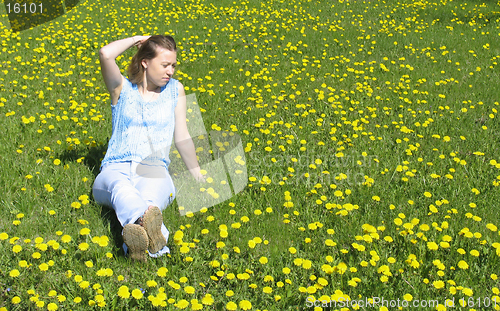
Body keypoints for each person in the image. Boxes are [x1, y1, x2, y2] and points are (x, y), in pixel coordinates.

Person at [92, 35, 205, 262]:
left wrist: (198, 174)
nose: (170, 71)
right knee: (120, 188)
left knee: (150, 200)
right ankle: (155, 242)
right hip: (116, 167)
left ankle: (136, 248)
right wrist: (137, 39)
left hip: (154, 168)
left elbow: (182, 135)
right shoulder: (121, 89)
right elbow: (105, 54)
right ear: (145, 62)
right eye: (164, 65)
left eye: (173, 65)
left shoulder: (176, 90)